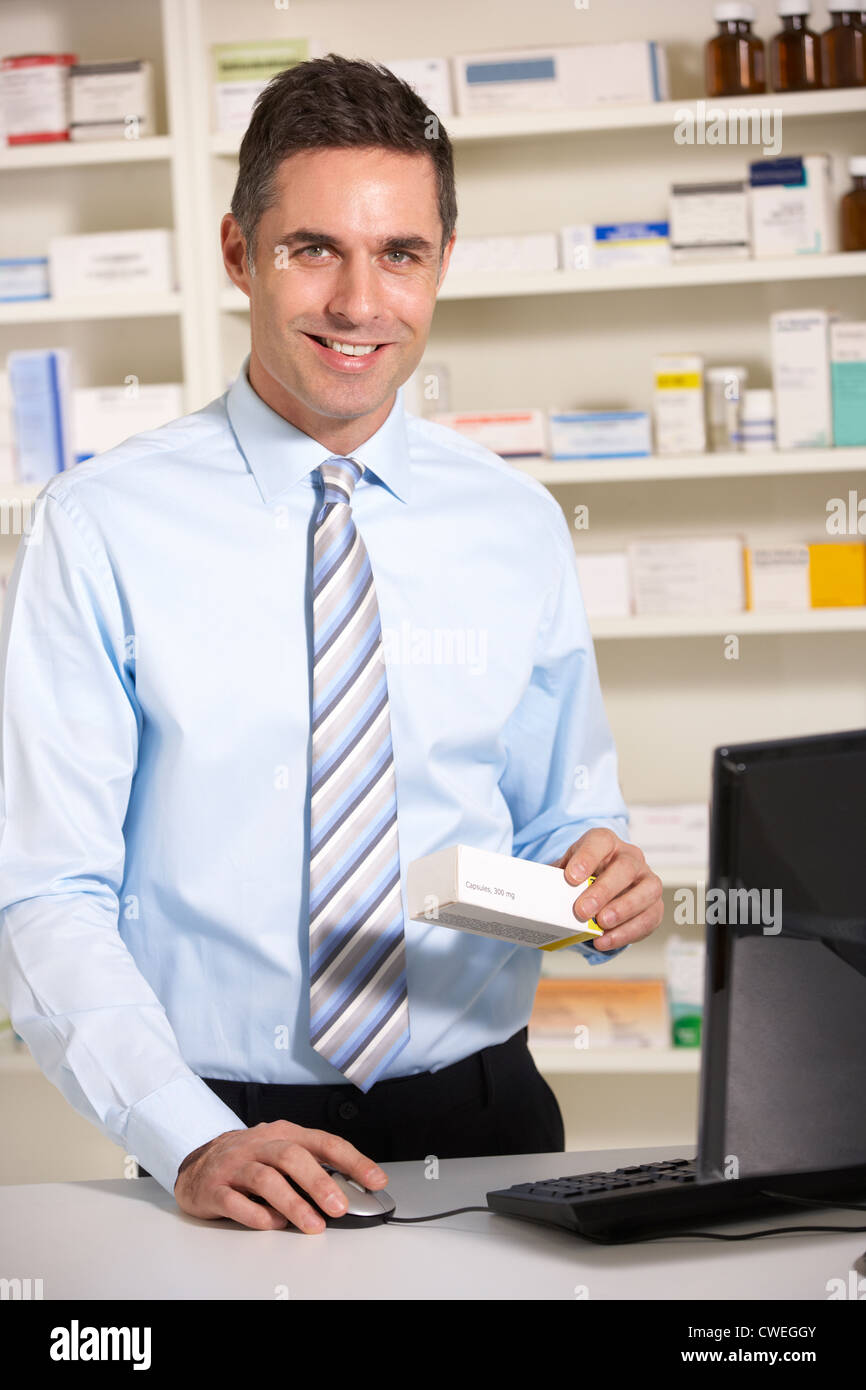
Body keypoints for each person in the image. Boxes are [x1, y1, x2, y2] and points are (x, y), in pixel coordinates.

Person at [0, 55, 663, 1235]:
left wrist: (595, 869)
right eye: (314, 249)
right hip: (226, 1134)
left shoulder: (511, 523)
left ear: (440, 264)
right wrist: (185, 1131)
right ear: (237, 254)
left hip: (485, 1114)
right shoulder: (100, 526)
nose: (360, 303)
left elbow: (557, 817)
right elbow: (46, 888)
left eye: (399, 254)